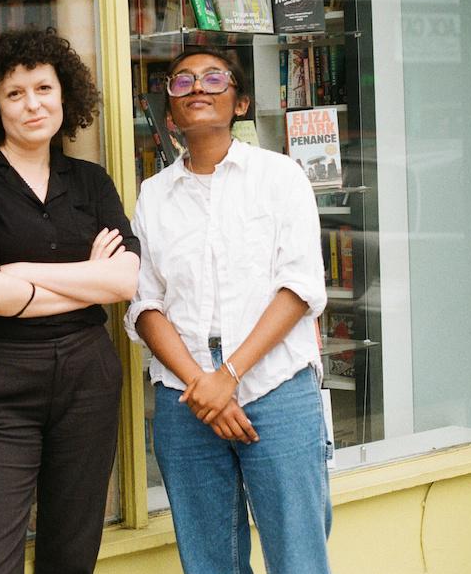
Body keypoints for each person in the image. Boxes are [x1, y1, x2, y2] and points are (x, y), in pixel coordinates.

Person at [0, 27, 140, 574]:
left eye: (44, 89)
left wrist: (19, 274)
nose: (33, 105)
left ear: (64, 94)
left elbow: (123, 284)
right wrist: (85, 277)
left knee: (70, 557)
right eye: (15, 93)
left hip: (86, 378)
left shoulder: (91, 181)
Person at [124, 46, 332, 573]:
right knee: (209, 561)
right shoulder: (153, 196)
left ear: (239, 103)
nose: (197, 87)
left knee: (298, 556)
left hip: (276, 388)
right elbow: (146, 304)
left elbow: (299, 287)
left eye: (214, 79)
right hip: (185, 399)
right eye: (182, 81)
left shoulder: (280, 177)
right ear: (170, 114)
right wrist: (204, 384)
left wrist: (231, 375)